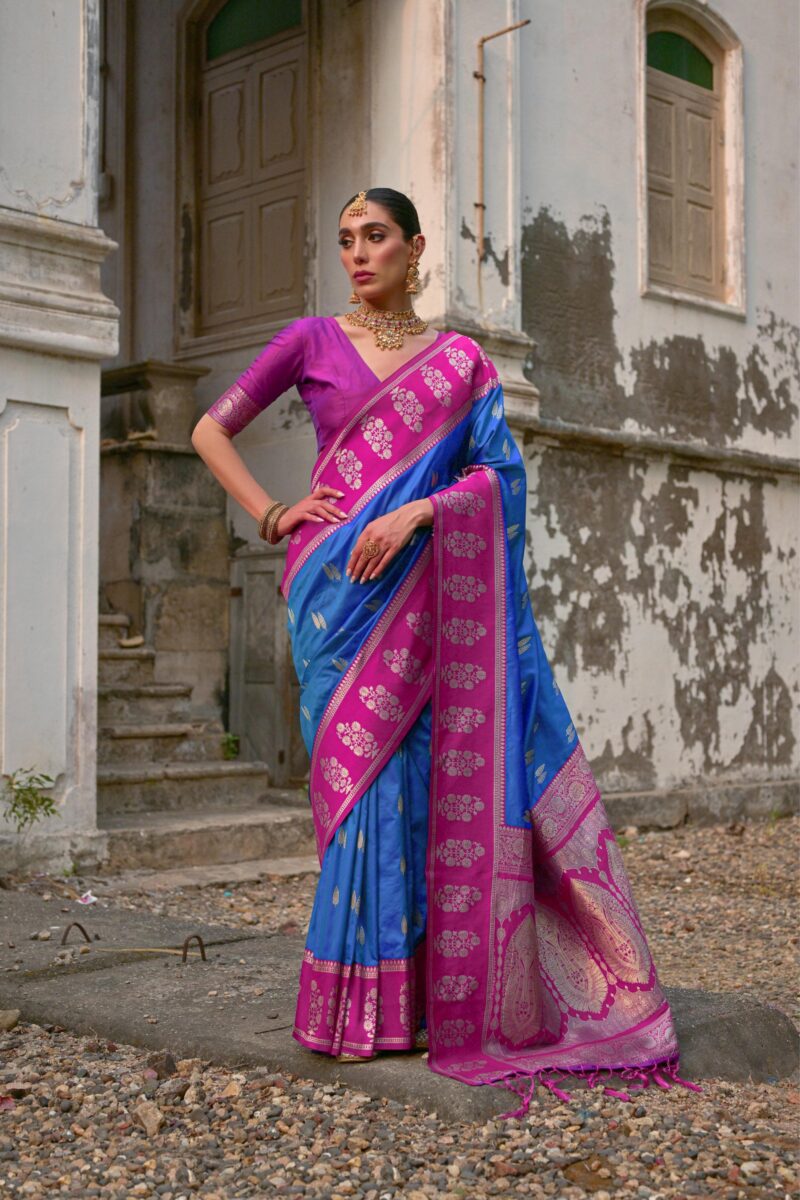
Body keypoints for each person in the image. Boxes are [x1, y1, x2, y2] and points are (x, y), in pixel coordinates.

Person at [191, 186, 701, 1116]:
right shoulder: (309, 340)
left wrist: (425, 509)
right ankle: (355, 1005)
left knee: (426, 789)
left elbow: (499, 477)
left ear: (415, 247)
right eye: (345, 239)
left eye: (375, 236)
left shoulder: (461, 362)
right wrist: (273, 513)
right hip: (337, 595)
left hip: (430, 596)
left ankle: (427, 1002)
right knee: (358, 787)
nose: (358, 253)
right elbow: (209, 427)